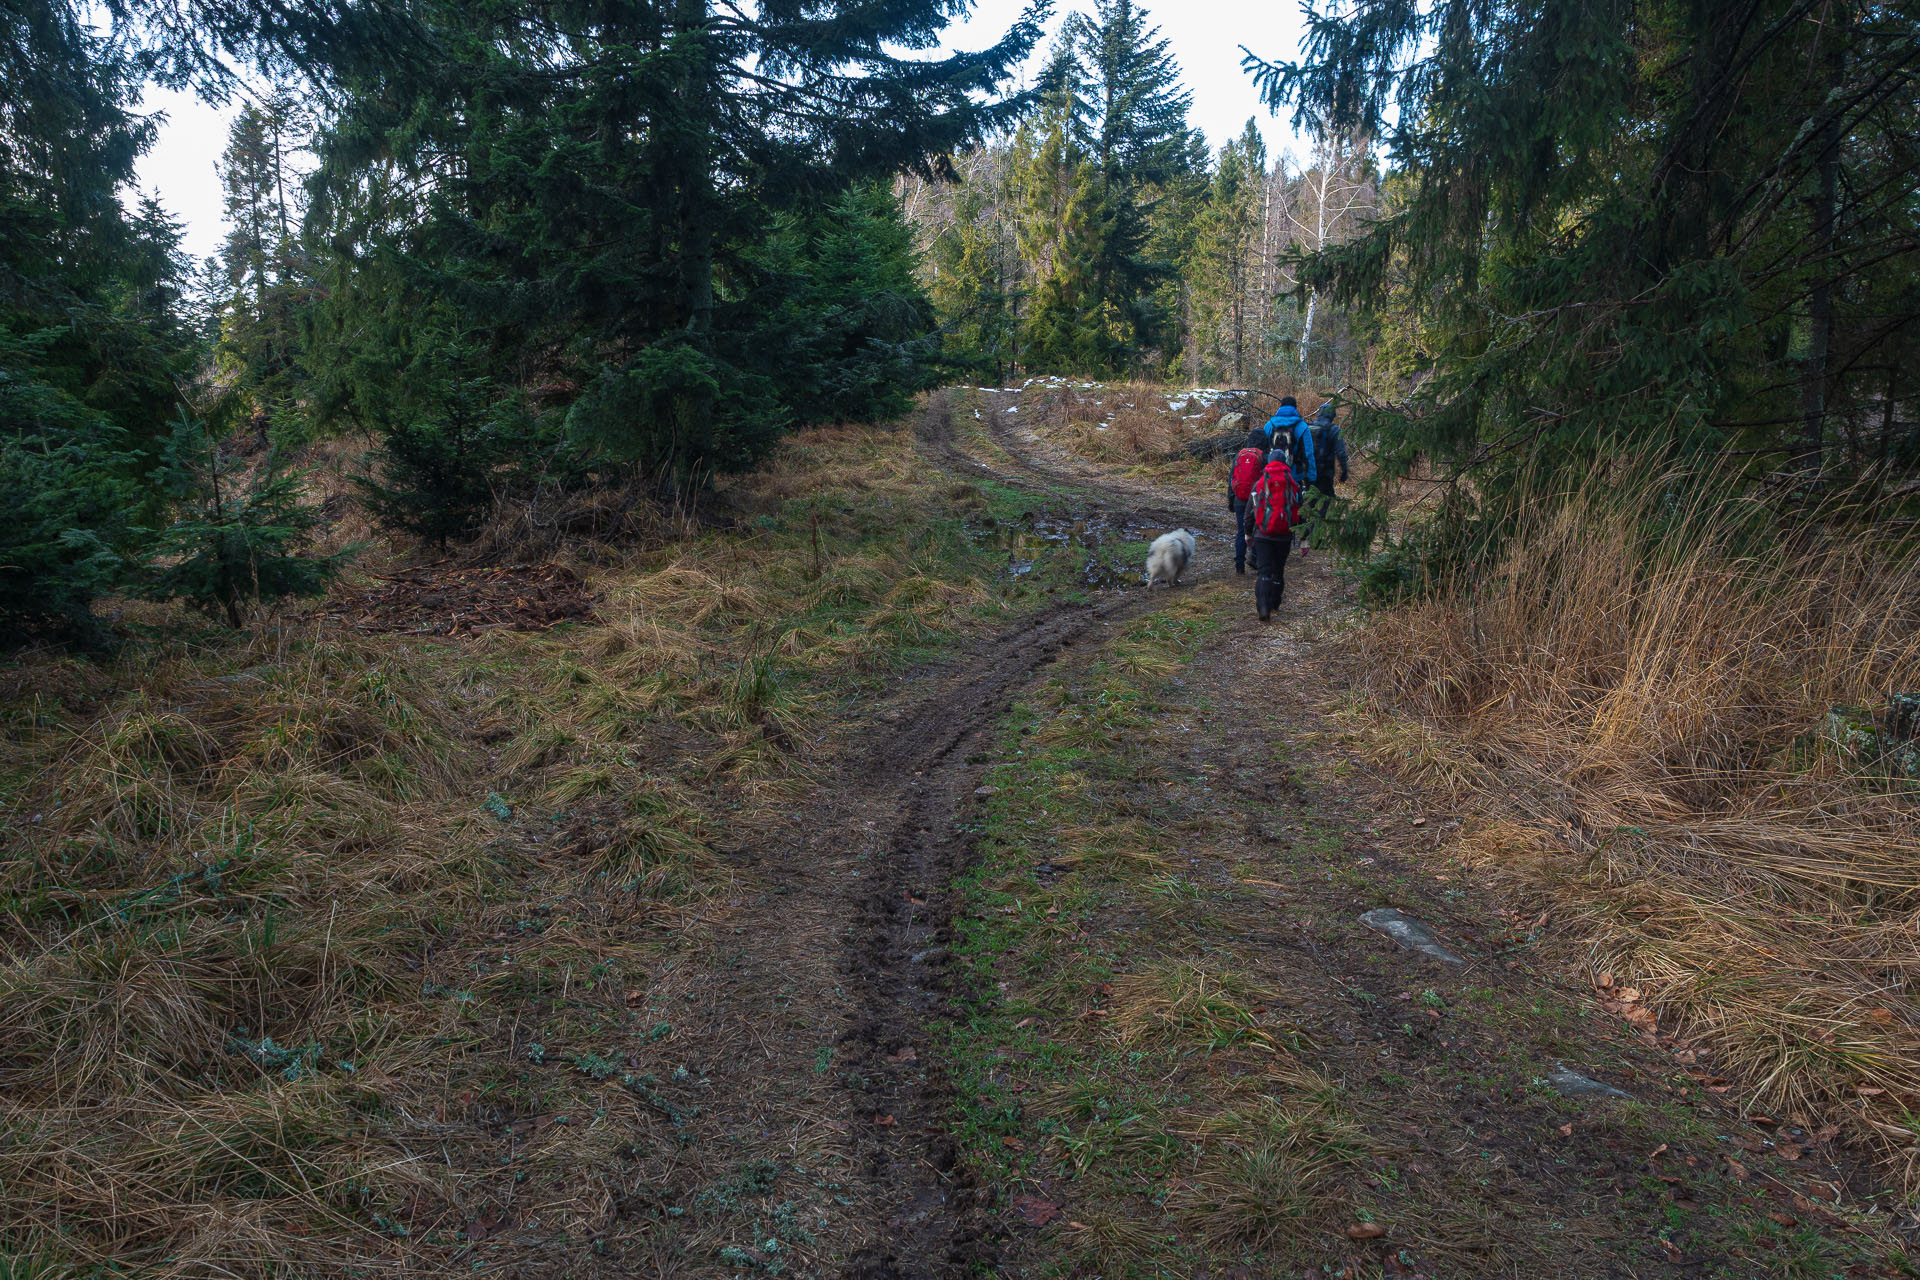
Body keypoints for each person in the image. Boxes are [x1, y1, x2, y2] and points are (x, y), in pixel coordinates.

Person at [1241, 447, 1302, 622]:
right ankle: (1275, 602)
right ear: (1285, 462)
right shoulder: (1293, 483)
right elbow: (1301, 510)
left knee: (1264, 572)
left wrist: (1247, 532)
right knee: (1279, 570)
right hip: (1284, 535)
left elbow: (1250, 511)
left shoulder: (1260, 482)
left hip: (1263, 535)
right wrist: (1303, 536)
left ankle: (1263, 606)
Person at [1302, 401, 1350, 550]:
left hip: (1308, 473)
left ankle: (1304, 534)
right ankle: (1316, 538)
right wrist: (1344, 471)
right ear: (1332, 415)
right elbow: (1341, 453)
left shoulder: (1308, 428)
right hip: (1325, 474)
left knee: (1309, 501)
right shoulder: (1334, 429)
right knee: (1324, 504)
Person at [1226, 428, 1267, 575]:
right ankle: (1254, 558)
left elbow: (1232, 479)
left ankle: (1239, 564)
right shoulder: (1263, 456)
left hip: (1239, 499)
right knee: (1256, 529)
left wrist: (1231, 500)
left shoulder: (1240, 455)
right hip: (1255, 499)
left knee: (1241, 531)